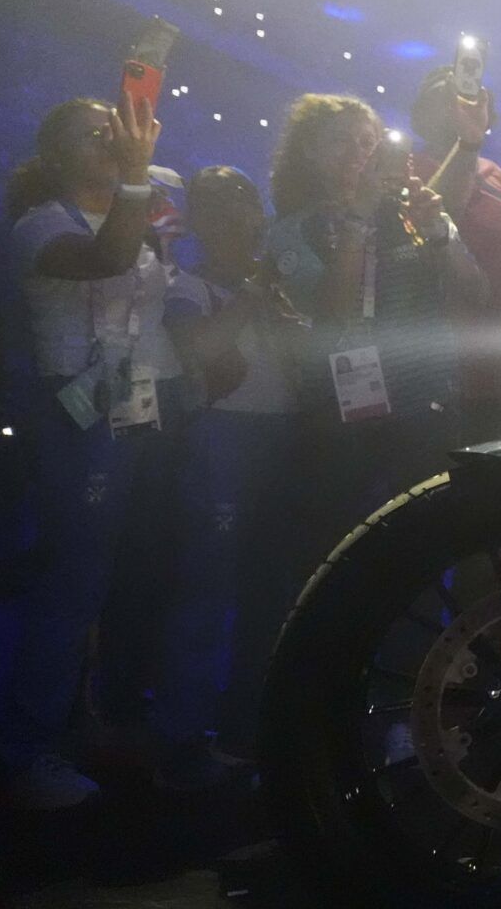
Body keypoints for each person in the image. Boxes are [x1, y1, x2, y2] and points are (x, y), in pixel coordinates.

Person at [0, 94, 177, 810]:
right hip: (69, 414)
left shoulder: (136, 217)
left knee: (102, 583)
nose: (110, 138)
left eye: (115, 127)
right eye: (91, 133)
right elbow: (106, 263)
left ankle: (74, 726)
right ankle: (21, 753)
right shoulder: (39, 224)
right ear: (53, 158)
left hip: (131, 414)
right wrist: (137, 181)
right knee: (67, 584)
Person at [263, 94, 484, 571]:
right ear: (308, 152)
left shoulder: (414, 214)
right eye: (339, 142)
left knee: (422, 555)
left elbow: (477, 290)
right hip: (341, 418)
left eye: (367, 143)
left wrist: (440, 232)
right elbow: (333, 314)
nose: (357, 153)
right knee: (340, 555)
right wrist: (359, 217)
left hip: (425, 405)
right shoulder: (292, 232)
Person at [155, 166, 300, 780]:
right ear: (203, 220)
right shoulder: (186, 285)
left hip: (281, 438)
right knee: (207, 590)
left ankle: (245, 727)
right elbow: (203, 354)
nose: (241, 215)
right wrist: (250, 296)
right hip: (221, 439)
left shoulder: (273, 290)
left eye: (246, 201)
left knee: (269, 589)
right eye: (221, 205)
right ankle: (182, 740)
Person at [409, 67, 501, 438]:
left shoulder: (495, 172)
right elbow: (433, 211)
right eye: (443, 99)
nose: (454, 107)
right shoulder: (409, 169)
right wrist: (467, 143)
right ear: (422, 114)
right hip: (454, 374)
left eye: (462, 98)